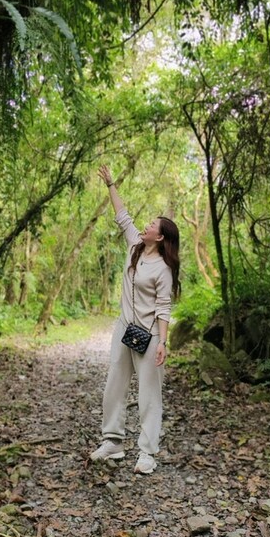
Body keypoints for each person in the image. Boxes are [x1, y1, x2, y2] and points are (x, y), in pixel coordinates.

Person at [90, 164, 181, 475]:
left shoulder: (163, 269)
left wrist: (163, 342)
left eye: (152, 224)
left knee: (148, 395)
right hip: (124, 329)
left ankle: (147, 453)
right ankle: (113, 442)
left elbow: (164, 307)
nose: (146, 225)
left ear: (161, 235)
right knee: (113, 385)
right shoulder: (135, 246)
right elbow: (122, 215)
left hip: (150, 335)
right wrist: (111, 184)